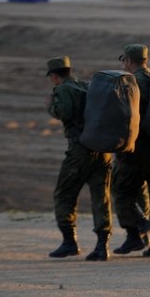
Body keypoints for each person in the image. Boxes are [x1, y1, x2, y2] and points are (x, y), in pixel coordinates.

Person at [45, 56, 112, 261]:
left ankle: (69, 241)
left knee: (64, 193)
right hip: (102, 149)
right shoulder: (86, 86)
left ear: (54, 76)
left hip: (80, 151)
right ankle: (102, 246)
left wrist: (51, 106)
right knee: (101, 197)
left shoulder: (63, 89)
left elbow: (64, 112)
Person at [111, 44, 150, 257]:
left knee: (121, 189)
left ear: (128, 61)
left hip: (139, 147)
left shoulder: (131, 82)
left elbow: (126, 115)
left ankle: (136, 232)